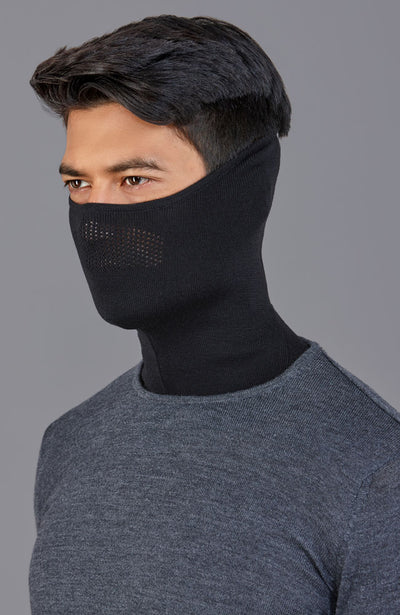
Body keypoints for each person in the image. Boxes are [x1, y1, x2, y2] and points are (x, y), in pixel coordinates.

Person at [28, 14, 400, 614]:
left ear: (243, 187)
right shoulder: (70, 445)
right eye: (78, 185)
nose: (97, 217)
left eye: (133, 179)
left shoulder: (375, 472)